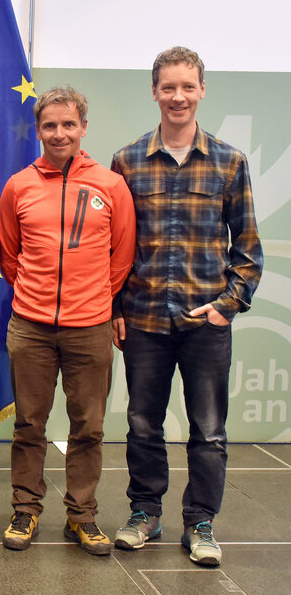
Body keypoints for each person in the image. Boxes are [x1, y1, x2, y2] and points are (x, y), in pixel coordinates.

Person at [111, 47, 263, 567]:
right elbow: (116, 246)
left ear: (202, 91)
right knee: (142, 425)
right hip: (145, 320)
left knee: (210, 431)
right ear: (154, 91)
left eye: (188, 87)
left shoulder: (230, 162)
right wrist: (115, 308)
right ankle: (144, 513)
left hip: (206, 326)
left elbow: (248, 249)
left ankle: (200, 523)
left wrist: (227, 306)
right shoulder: (127, 161)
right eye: (168, 87)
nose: (178, 97)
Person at [0, 86, 135, 555]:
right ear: (38, 130)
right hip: (31, 326)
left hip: (90, 327)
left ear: (83, 127)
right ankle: (25, 509)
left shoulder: (110, 185)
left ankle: (82, 515)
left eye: (68, 124)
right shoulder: (18, 185)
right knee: (29, 424)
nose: (59, 133)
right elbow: (9, 257)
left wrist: (93, 300)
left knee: (89, 427)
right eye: (50, 125)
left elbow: (121, 257)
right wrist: (38, 297)